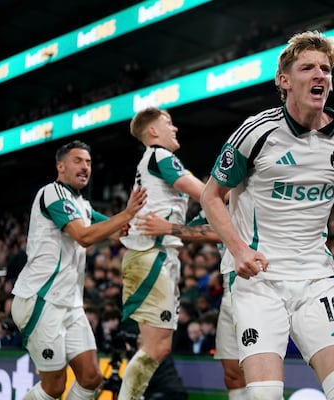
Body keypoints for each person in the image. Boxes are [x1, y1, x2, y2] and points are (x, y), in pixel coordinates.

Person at [200, 30, 334, 400]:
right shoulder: (256, 132)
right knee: (264, 394)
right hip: (259, 277)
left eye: (325, 68)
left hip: (316, 275)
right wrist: (240, 250)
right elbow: (212, 196)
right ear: (284, 80)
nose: (320, 75)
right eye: (307, 67)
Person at [10, 140, 147, 400]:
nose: (85, 167)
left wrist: (139, 222)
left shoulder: (81, 204)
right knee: (54, 386)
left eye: (89, 162)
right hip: (41, 300)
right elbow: (84, 236)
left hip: (70, 305)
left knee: (91, 378)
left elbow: (116, 231)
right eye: (78, 161)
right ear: (60, 166)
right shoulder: (52, 192)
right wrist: (126, 215)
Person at [117, 107, 206, 400]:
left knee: (158, 347)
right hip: (151, 254)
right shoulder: (160, 156)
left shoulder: (150, 163)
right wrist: (233, 194)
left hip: (157, 254)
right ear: (152, 132)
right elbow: (202, 193)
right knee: (156, 347)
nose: (175, 128)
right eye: (168, 123)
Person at [135, 210, 247, 398]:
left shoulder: (252, 195)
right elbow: (191, 228)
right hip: (231, 291)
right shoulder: (215, 201)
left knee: (260, 369)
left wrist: (169, 228)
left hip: (261, 288)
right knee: (232, 373)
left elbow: (223, 233)